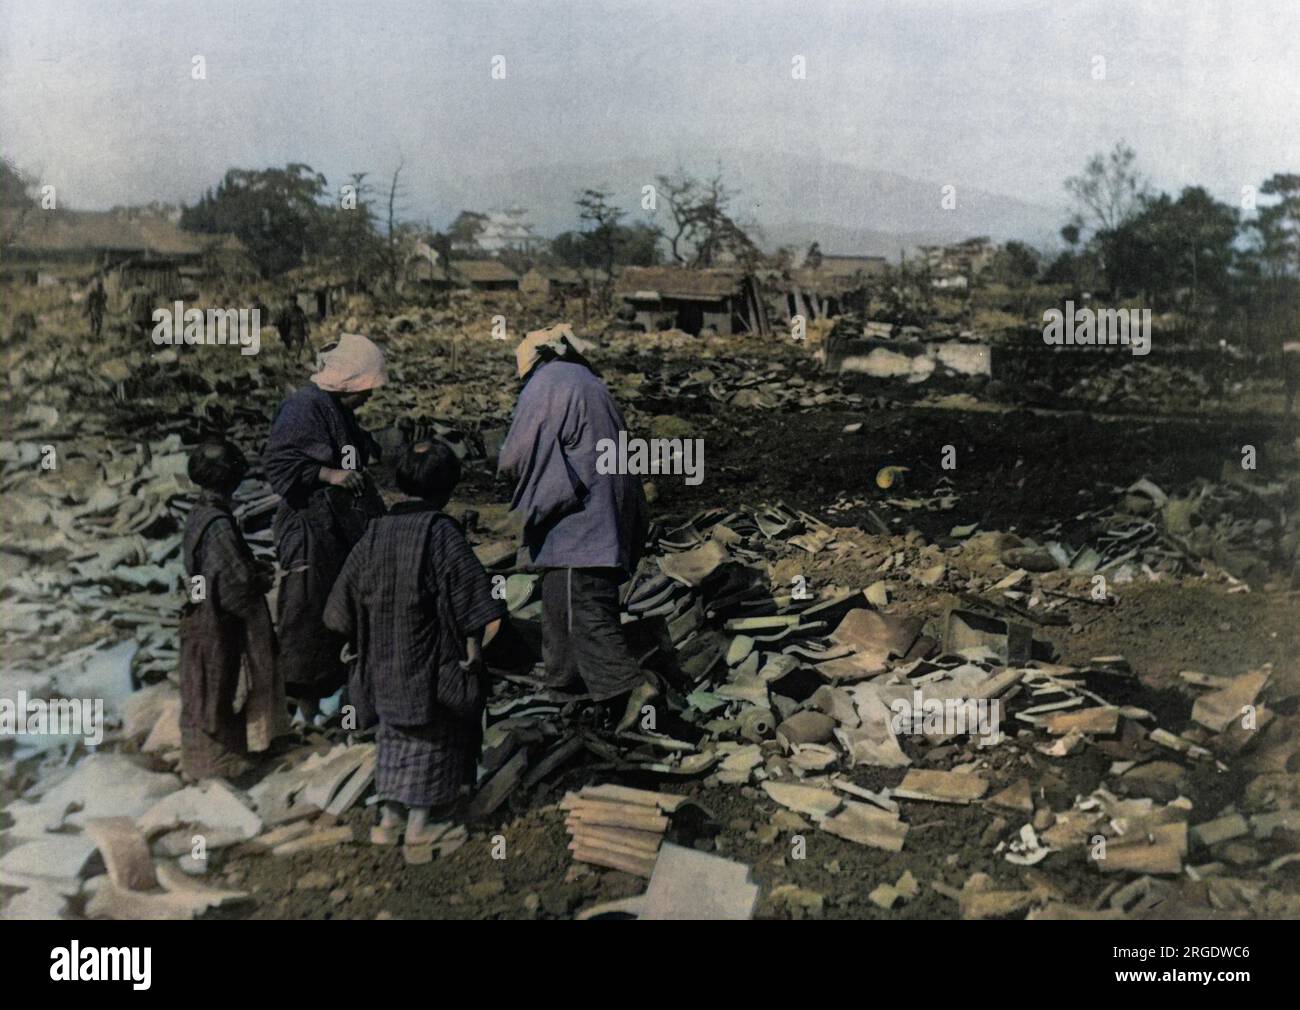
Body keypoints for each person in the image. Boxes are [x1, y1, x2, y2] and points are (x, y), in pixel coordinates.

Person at [324, 441, 505, 864]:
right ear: (446, 490)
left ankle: (389, 822)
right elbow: (472, 599)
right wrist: (473, 650)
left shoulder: (374, 532)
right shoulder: (440, 532)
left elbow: (339, 604)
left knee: (392, 737)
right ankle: (422, 828)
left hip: (380, 666)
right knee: (431, 735)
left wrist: (355, 640)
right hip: (427, 662)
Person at [498, 324, 657, 733]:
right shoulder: (589, 382)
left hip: (578, 526)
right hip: (606, 519)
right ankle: (571, 695)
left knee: (583, 614)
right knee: (562, 609)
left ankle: (631, 685)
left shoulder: (548, 383)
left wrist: (515, 485)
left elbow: (514, 456)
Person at [264, 333, 387, 721]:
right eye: (365, 389)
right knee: (306, 612)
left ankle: (330, 692)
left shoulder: (334, 409)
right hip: (308, 528)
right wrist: (328, 474)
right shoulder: (304, 408)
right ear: (348, 381)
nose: (368, 397)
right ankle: (303, 702)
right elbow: (278, 464)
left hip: (333, 526)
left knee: (337, 607)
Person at [180, 440, 283, 781]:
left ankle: (205, 763)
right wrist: (261, 579)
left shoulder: (198, 515)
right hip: (221, 620)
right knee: (224, 688)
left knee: (203, 687)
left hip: (202, 611)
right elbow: (234, 582)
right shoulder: (219, 524)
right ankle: (221, 767)